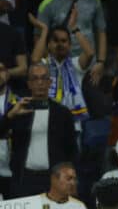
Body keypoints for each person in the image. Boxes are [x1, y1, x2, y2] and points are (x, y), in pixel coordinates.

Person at [0, 63, 77, 197]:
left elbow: (72, 150)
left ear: (50, 82)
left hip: (54, 179)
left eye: (43, 78)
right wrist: (10, 116)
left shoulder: (62, 113)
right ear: (29, 83)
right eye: (35, 79)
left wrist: (71, 180)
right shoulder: (18, 109)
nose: (40, 83)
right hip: (24, 178)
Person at [36, 0, 108, 77]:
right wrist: (48, 67)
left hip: (90, 68)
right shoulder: (47, 5)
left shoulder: (94, 0)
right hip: (60, 68)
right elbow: (39, 39)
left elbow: (101, 32)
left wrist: (101, 62)